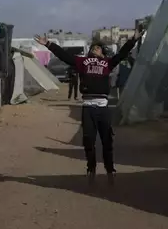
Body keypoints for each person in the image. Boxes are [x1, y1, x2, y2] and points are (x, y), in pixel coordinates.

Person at [34, 30, 143, 185]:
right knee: (88, 141)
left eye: (98, 48)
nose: (94, 49)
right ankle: (91, 168)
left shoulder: (107, 63)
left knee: (107, 141)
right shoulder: (82, 62)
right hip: (88, 107)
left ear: (103, 54)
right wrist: (49, 44)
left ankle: (110, 169)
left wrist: (133, 40)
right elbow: (64, 56)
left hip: (103, 108)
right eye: (93, 48)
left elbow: (122, 54)